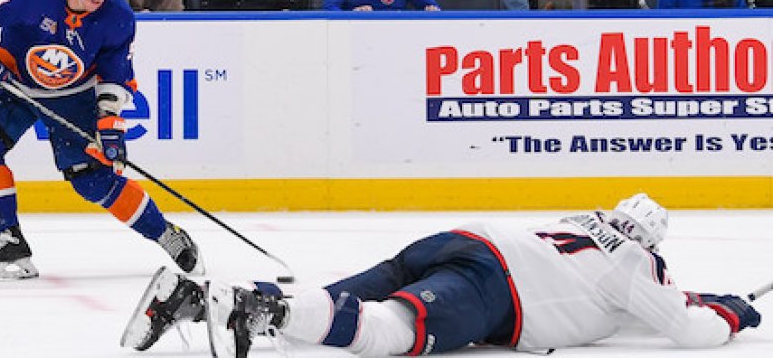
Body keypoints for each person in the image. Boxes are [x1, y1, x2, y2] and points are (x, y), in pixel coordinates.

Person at [120, 193, 763, 355]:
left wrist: (703, 297)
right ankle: (267, 313)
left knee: (341, 296)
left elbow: (647, 300)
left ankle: (205, 300)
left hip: (465, 239)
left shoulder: (586, 224)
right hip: (496, 291)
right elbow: (686, 329)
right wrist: (733, 313)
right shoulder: (636, 263)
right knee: (389, 332)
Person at [0, 0, 204, 280]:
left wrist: (110, 123)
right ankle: (8, 238)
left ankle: (165, 234)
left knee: (93, 180)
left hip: (73, 97)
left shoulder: (118, 18)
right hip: (12, 82)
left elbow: (115, 75)